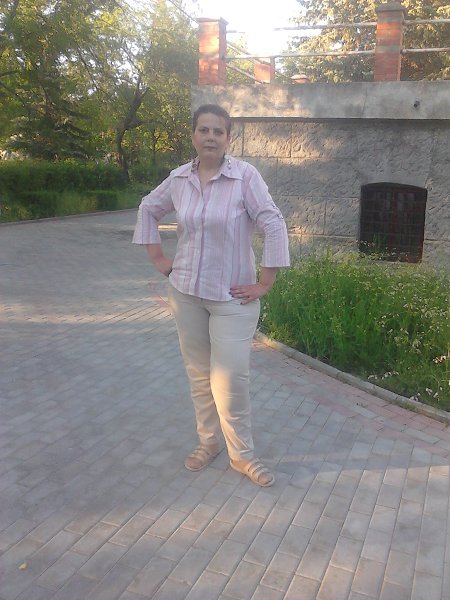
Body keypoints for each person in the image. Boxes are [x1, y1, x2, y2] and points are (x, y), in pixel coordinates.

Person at [133, 104, 290, 487]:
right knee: (200, 376)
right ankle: (208, 442)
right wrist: (158, 259)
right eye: (203, 130)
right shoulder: (179, 178)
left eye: (218, 131)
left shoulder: (245, 177)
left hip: (232, 298)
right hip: (186, 293)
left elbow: (273, 222)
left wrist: (265, 282)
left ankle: (243, 455)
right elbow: (148, 208)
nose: (210, 137)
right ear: (193, 135)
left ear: (228, 138)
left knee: (230, 378)